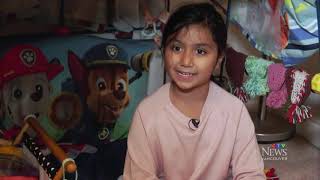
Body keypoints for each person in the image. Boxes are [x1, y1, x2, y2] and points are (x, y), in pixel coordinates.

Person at [123, 2, 265, 180]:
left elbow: (251, 174)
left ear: (219, 59)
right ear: (163, 50)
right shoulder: (147, 115)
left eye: (200, 51)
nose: (186, 61)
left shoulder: (235, 113)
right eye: (177, 48)